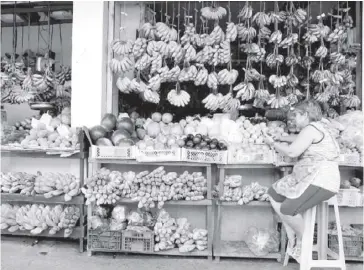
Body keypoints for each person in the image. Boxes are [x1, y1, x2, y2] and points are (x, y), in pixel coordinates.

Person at [264, 99, 341, 263]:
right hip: (311, 177)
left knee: (287, 208)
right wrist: (282, 137)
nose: (293, 120)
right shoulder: (316, 128)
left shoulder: (310, 129)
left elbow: (292, 152)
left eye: (296, 116)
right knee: (274, 192)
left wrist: (274, 143)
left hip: (322, 180)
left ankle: (303, 241)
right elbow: (298, 139)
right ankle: (292, 232)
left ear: (305, 115)